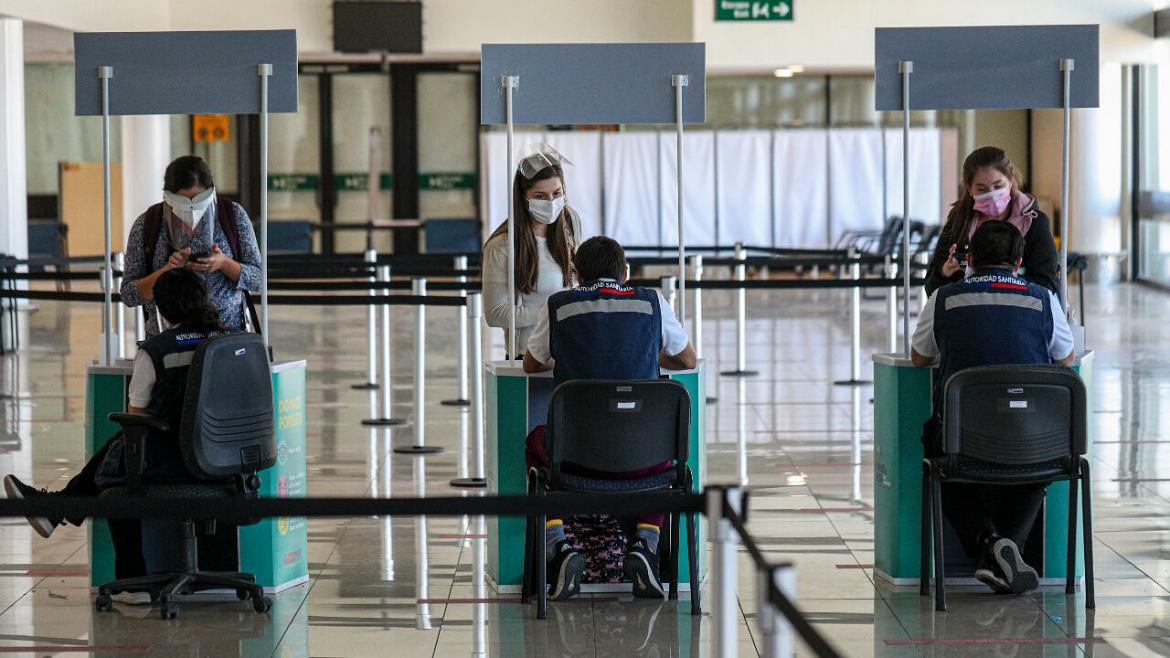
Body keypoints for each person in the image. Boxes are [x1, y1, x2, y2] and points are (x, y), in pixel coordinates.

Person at [4, 268, 225, 603]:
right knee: (119, 453)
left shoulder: (156, 351)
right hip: (226, 460)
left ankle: (132, 584)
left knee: (116, 473)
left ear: (161, 311)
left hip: (173, 463)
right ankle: (54, 509)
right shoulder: (230, 341)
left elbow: (135, 421)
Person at [523, 236, 696, 601]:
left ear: (576, 274)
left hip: (574, 463)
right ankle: (646, 544)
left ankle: (560, 548)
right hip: (647, 464)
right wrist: (650, 358)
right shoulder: (653, 303)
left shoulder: (559, 305)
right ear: (626, 273)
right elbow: (687, 361)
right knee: (664, 444)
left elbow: (530, 364)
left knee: (537, 442)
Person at [911, 221, 1075, 595]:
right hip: (1033, 440)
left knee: (941, 463)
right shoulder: (1042, 299)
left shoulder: (944, 298)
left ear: (969, 258)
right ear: (1019, 261)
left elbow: (920, 358)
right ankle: (1007, 549)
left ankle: (990, 546)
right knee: (1038, 467)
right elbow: (1066, 359)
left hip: (961, 441)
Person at [121, 155, 262, 338]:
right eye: (182, 202)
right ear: (168, 196)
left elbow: (258, 279)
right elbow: (129, 294)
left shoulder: (233, 216)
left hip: (226, 339)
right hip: (168, 343)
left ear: (210, 192)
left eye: (198, 199)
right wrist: (165, 272)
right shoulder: (148, 224)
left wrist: (225, 263)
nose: (191, 209)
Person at [483, 144, 582, 357]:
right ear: (523, 198)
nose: (551, 202)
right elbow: (495, 313)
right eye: (540, 196)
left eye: (557, 193)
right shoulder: (502, 247)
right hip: (528, 356)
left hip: (571, 351)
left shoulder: (570, 222)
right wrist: (554, 312)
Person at [924, 146, 1060, 298]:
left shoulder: (1034, 223)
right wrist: (944, 272)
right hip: (969, 312)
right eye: (982, 189)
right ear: (969, 189)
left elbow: (1048, 283)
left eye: (998, 186)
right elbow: (931, 287)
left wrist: (997, 283)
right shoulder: (959, 221)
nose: (992, 195)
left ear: (1010, 180)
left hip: (1018, 313)